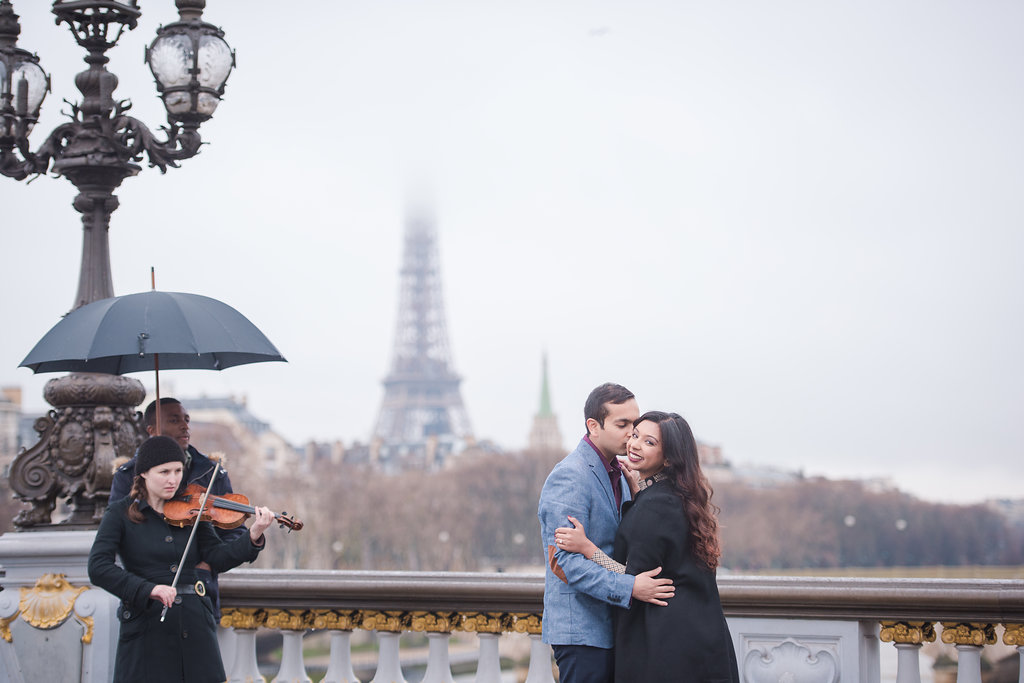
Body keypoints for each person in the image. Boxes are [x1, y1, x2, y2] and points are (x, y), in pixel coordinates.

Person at [554, 411, 739, 683]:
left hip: (665, 642)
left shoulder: (654, 506)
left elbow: (634, 579)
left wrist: (587, 549)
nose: (635, 444)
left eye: (649, 442)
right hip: (698, 637)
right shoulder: (678, 496)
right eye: (636, 435)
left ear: (668, 457)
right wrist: (640, 493)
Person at [89, 436, 275, 682]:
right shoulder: (121, 513)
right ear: (144, 472)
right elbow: (98, 567)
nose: (173, 479)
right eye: (164, 472)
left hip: (195, 623)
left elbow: (216, 557)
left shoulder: (193, 511)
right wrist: (148, 589)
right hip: (147, 627)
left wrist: (253, 535)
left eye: (178, 471)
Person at [537, 383, 675, 683]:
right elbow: (564, 563)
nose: (631, 434)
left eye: (634, 425)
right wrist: (630, 588)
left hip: (612, 627)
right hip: (582, 633)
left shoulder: (621, 473)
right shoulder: (569, 476)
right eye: (622, 424)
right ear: (593, 426)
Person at [111, 397, 243, 617]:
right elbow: (118, 536)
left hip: (199, 598)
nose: (185, 426)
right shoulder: (127, 476)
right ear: (152, 430)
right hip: (145, 600)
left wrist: (207, 566)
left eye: (186, 419)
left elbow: (234, 533)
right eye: (174, 420)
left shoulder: (211, 473)